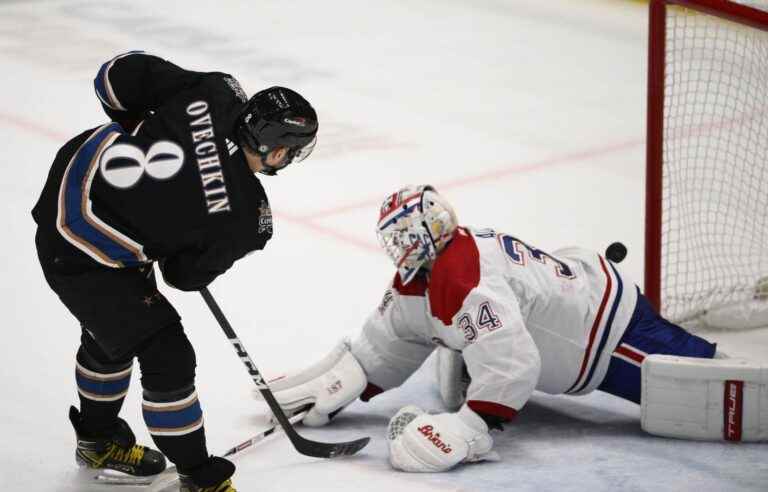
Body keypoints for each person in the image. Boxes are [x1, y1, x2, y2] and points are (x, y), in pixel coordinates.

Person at [260, 184, 767, 474]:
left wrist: (473, 424)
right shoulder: (432, 270)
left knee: (705, 382)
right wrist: (350, 378)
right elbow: (399, 331)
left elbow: (512, 363)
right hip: (581, 288)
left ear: (429, 234)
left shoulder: (464, 278)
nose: (401, 253)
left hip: (606, 328)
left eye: (407, 240)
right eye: (395, 243)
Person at [32, 51, 318, 491]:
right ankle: (199, 478)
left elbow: (113, 79)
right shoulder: (248, 217)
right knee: (167, 353)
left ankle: (97, 440)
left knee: (115, 330)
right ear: (278, 150)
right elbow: (182, 276)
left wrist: (139, 131)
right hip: (83, 253)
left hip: (73, 177)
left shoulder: (218, 91)